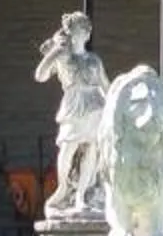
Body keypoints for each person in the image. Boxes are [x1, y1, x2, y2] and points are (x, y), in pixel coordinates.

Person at [36, 11, 109, 216]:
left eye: (86, 30)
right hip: (74, 104)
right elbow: (40, 75)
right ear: (70, 32)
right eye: (79, 29)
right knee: (68, 147)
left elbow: (105, 85)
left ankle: (81, 196)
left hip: (95, 105)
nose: (83, 33)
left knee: (91, 149)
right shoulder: (62, 56)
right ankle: (63, 189)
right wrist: (54, 52)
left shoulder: (94, 60)